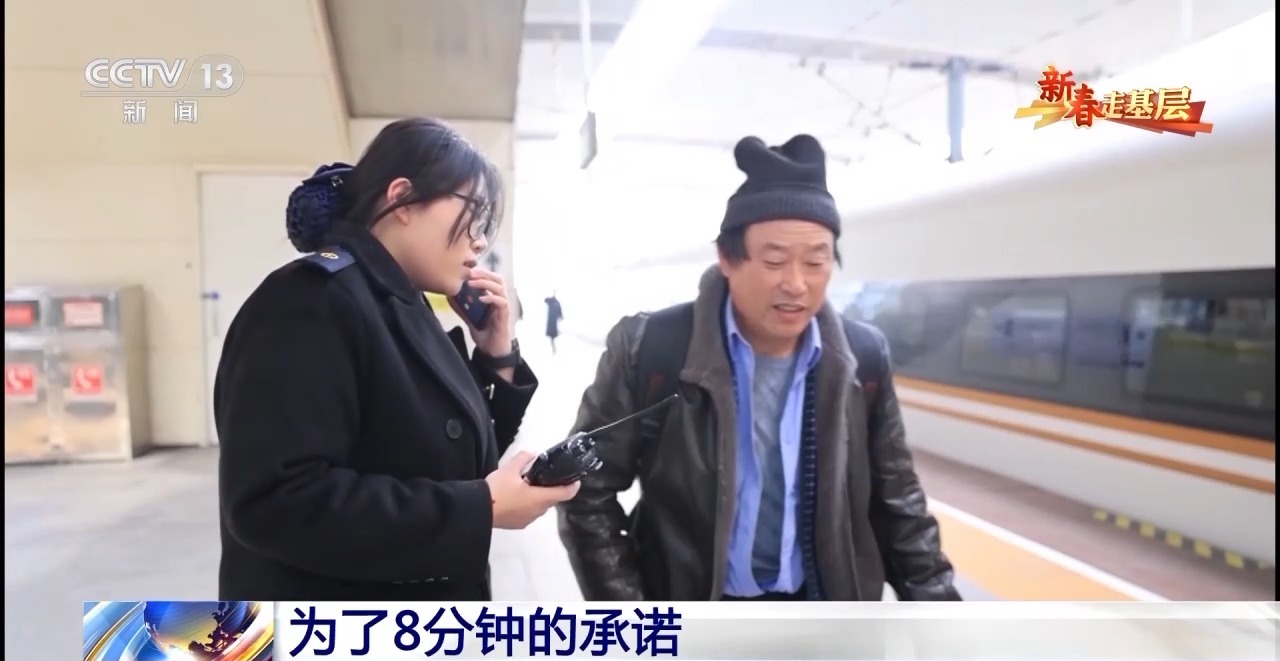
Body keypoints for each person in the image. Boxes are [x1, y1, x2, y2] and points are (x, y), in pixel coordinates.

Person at [557, 134, 961, 602]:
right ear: (727, 259)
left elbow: (900, 507)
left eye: (816, 261)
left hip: (821, 617)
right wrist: (636, 620)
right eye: (774, 261)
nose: (796, 284)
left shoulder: (861, 359)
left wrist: (944, 619)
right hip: (695, 616)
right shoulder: (652, 348)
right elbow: (584, 490)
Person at [215, 117, 579, 601]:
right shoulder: (309, 302)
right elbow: (277, 502)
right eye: (473, 214)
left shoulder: (403, 303)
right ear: (402, 199)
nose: (480, 241)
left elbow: (455, 455)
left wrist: (497, 355)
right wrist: (482, 507)